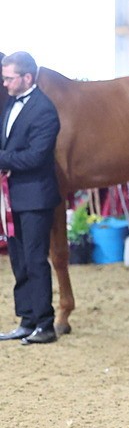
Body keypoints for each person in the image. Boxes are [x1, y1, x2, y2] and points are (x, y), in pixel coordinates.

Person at [0, 51, 62, 345]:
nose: (5, 83)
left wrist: (2, 159)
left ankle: (45, 324)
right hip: (14, 196)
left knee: (36, 260)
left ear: (27, 78)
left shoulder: (44, 110)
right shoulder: (12, 104)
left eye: (9, 78)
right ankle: (26, 319)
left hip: (36, 197)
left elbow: (37, 156)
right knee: (19, 259)